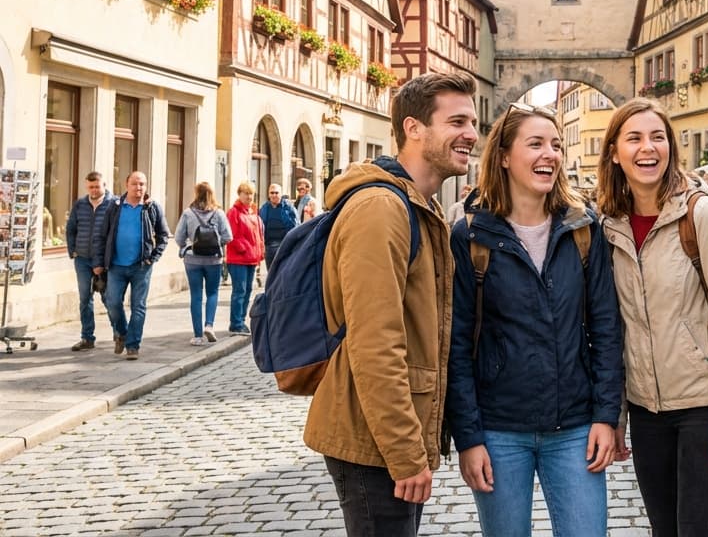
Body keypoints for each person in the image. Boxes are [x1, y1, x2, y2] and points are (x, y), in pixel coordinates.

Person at [304, 72, 476, 537]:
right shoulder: (382, 208)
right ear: (413, 129)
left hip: (385, 437)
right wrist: (405, 454)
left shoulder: (417, 204)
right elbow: (375, 342)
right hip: (372, 441)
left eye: (473, 122)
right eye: (457, 121)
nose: (472, 135)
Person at [447, 102, 623, 536]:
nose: (551, 154)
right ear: (504, 155)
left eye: (556, 145)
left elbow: (606, 328)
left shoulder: (583, 228)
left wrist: (606, 416)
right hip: (500, 430)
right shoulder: (471, 235)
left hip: (576, 428)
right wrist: (468, 438)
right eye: (536, 144)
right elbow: (455, 344)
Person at [596, 98, 708, 537]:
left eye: (658, 137)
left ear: (670, 148)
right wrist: (620, 417)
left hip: (701, 410)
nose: (648, 148)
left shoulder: (702, 215)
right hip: (647, 413)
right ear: (614, 152)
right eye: (635, 138)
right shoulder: (611, 226)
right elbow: (617, 330)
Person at [95, 171, 171, 360]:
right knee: (112, 302)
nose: (139, 188)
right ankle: (121, 333)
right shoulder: (115, 207)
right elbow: (102, 236)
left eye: (142, 184)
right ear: (126, 185)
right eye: (135, 184)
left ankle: (132, 345)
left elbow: (163, 236)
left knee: (138, 306)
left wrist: (153, 257)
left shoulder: (152, 208)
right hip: (116, 265)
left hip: (141, 266)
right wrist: (98, 262)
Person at [174, 182, 233, 346]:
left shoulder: (188, 213)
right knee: (212, 292)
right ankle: (209, 325)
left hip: (192, 260)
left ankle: (198, 335)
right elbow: (228, 237)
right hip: (214, 259)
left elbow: (178, 238)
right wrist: (216, 241)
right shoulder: (219, 213)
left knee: (196, 295)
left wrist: (189, 244)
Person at [64, 171, 115, 351]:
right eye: (90, 187)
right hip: (83, 259)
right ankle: (87, 337)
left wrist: (108, 258)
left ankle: (119, 334)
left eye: (97, 186)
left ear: (104, 185)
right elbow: (71, 229)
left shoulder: (113, 204)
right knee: (85, 299)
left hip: (106, 261)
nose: (93, 190)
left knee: (109, 298)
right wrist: (73, 251)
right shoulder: (80, 204)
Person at [224, 182, 265, 336]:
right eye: (246, 194)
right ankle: (236, 323)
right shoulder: (234, 212)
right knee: (239, 290)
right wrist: (244, 247)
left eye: (251, 194)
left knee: (248, 290)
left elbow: (258, 235)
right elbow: (230, 236)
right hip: (238, 259)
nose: (249, 197)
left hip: (251, 259)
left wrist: (260, 250)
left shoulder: (252, 212)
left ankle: (241, 320)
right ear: (239, 194)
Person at [259, 183, 299, 266]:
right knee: (271, 273)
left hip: (285, 246)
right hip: (269, 247)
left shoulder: (289, 208)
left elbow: (296, 226)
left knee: (283, 273)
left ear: (281, 194)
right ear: (268, 194)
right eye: (272, 193)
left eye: (276, 193)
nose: (274, 195)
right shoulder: (264, 208)